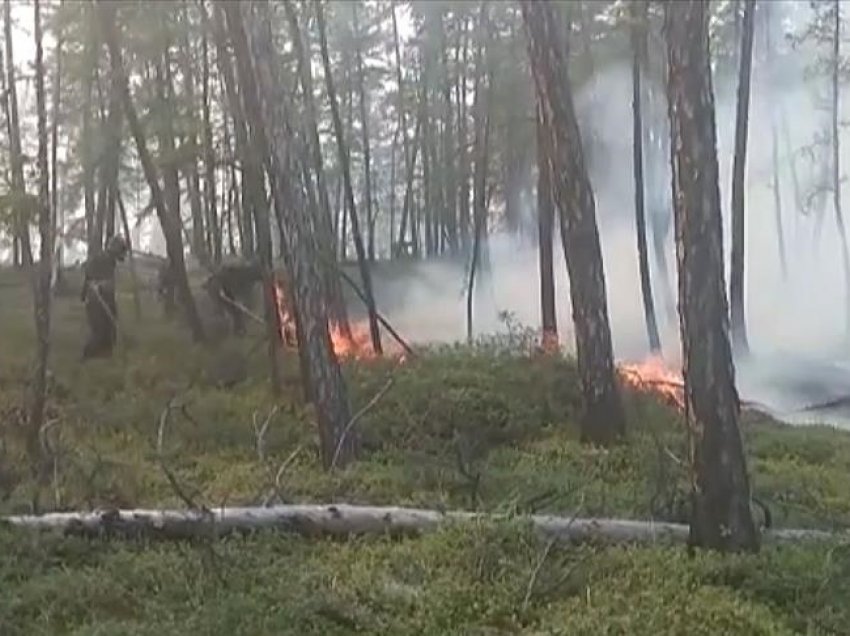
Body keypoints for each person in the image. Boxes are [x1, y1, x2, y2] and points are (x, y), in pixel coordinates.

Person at [80, 235, 128, 359]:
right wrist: (93, 288)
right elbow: (90, 277)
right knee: (100, 332)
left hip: (104, 299)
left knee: (110, 331)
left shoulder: (109, 260)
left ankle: (105, 359)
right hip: (96, 301)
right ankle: (86, 358)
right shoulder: (103, 259)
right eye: (121, 251)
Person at [203, 259, 263, 336]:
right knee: (233, 311)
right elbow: (219, 286)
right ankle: (233, 330)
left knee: (236, 311)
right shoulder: (224, 276)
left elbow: (234, 289)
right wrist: (222, 293)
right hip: (220, 292)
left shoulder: (234, 274)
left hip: (225, 291)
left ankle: (239, 330)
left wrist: (237, 300)